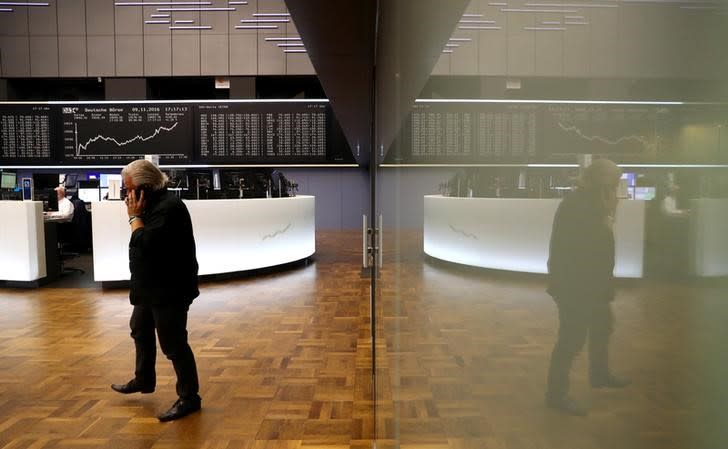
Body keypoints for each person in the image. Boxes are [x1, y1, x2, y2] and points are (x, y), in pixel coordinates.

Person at [111, 159, 202, 422]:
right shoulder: (151, 204)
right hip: (150, 286)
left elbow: (145, 243)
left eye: (129, 189)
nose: (126, 196)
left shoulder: (168, 208)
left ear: (145, 187)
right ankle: (144, 379)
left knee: (173, 344)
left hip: (170, 289)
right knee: (139, 329)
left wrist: (134, 217)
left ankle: (189, 397)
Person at [545, 158, 631, 416]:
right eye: (613, 182)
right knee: (571, 339)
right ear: (600, 181)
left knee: (603, 327)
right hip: (576, 285)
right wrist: (608, 214)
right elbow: (581, 248)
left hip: (593, 283)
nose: (616, 188)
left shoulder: (593, 202)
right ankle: (556, 395)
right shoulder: (578, 205)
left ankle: (600, 374)